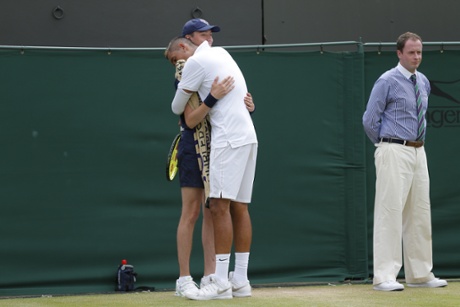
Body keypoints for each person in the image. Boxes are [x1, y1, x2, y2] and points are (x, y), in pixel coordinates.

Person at [166, 36, 258, 300]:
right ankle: (210, 279)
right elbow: (190, 117)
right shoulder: (212, 59)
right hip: (225, 140)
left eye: (176, 58)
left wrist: (220, 100)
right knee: (219, 209)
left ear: (185, 47)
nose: (177, 64)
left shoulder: (201, 62)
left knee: (218, 208)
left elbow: (179, 107)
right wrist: (213, 98)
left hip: (224, 141)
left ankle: (218, 279)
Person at [363, 32, 448, 292]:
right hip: (392, 149)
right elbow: (369, 120)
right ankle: (384, 277)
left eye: (419, 52)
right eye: (411, 52)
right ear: (399, 53)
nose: (416, 57)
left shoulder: (423, 81)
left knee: (420, 213)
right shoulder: (386, 80)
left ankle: (420, 275)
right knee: (390, 212)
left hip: (418, 151)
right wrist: (386, 145)